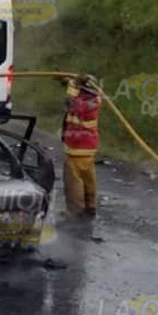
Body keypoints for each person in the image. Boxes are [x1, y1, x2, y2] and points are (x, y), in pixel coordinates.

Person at [61, 74, 100, 218]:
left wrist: (72, 85)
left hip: (76, 147)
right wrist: (68, 82)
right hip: (88, 148)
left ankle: (75, 211)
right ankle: (90, 206)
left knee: (73, 181)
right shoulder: (95, 99)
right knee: (88, 178)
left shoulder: (84, 103)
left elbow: (71, 104)